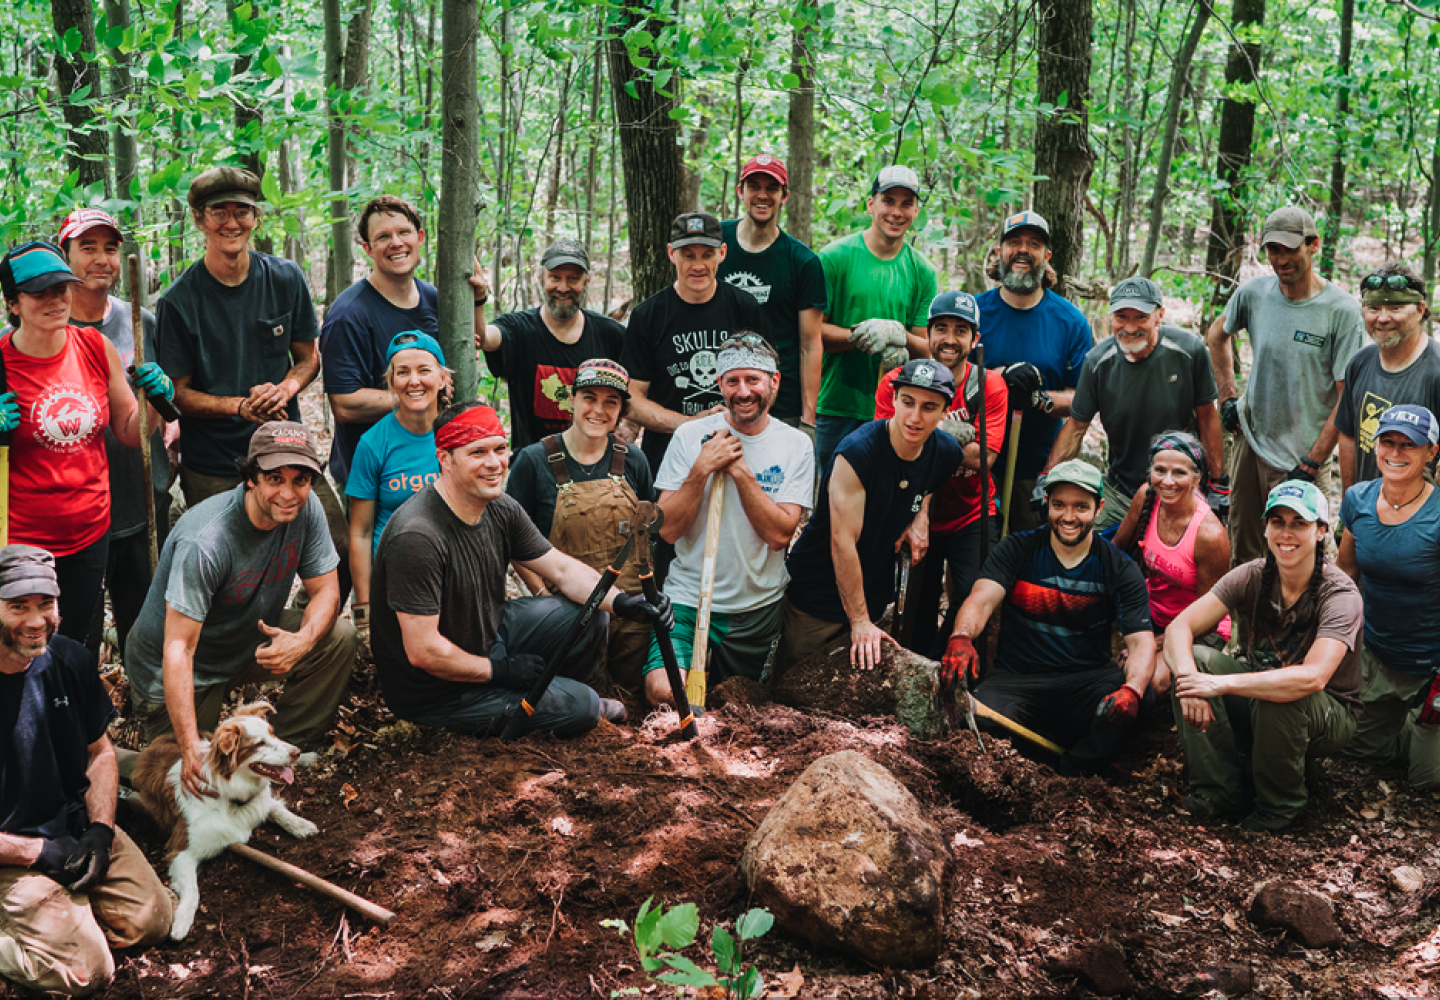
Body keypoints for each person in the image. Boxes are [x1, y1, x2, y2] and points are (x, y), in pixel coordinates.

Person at [370, 402, 672, 737]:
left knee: (593, 611)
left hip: (488, 634)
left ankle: (554, 695)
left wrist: (624, 604)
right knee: (583, 707)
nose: (493, 463)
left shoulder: (498, 506)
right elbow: (424, 651)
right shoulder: (417, 536)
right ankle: (565, 703)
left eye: (499, 449)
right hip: (437, 692)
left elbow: (561, 569)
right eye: (477, 453)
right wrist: (500, 671)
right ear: (445, 459)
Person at [123, 422, 358, 798]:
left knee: (337, 638)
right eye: (274, 478)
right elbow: (178, 650)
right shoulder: (205, 541)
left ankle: (284, 751)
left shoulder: (306, 506)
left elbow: (326, 589)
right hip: (182, 669)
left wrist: (302, 640)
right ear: (250, 477)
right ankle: (108, 760)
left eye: (300, 480)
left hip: (244, 640)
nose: (288, 493)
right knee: (188, 776)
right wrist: (187, 748)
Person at [154, 166, 351, 596]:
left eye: (241, 211)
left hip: (287, 446)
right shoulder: (179, 301)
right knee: (225, 570)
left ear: (256, 216)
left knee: (340, 545)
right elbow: (177, 394)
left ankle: (306, 633)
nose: (231, 222)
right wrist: (238, 406)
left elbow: (307, 359)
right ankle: (232, 655)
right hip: (214, 461)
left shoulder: (285, 278)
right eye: (218, 211)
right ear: (198, 219)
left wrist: (286, 388)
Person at [0, 545, 172, 996]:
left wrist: (100, 829)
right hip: (10, 852)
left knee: (153, 921)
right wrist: (35, 855)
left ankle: (68, 922)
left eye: (46, 605)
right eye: (18, 607)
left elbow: (100, 753)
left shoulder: (69, 659)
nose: (36, 621)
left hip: (71, 825)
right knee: (88, 971)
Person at [1162, 480, 1361, 832]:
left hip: (1328, 713)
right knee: (1194, 658)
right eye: (1278, 522)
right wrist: (1192, 682)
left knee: (1278, 693)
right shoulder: (1254, 574)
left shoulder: (1340, 594)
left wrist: (1219, 685)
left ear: (1320, 532)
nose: (1287, 533)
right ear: (1266, 528)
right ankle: (1218, 791)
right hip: (1262, 694)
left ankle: (1280, 805)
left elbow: (1312, 677)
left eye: (1299, 523)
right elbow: (1180, 627)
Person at [938, 460, 1156, 776]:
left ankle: (1076, 770)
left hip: (1085, 681)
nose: (1069, 517)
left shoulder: (1119, 568)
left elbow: (1141, 642)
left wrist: (1131, 690)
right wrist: (961, 636)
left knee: (1141, 699)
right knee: (980, 720)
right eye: (1059, 505)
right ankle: (1032, 762)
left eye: (1081, 507)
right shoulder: (1018, 549)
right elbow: (981, 600)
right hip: (1016, 679)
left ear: (1099, 508)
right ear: (1047, 505)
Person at [0, 241, 169, 646]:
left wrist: (156, 401)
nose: (55, 299)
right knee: (26, 644)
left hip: (91, 530)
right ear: (13, 303)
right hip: (23, 538)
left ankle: (76, 707)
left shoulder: (95, 346)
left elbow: (130, 432)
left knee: (76, 638)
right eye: (39, 292)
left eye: (61, 288)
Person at [648, 335, 813, 704]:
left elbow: (779, 535)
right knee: (665, 692)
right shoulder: (689, 437)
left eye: (753, 380)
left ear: (774, 382)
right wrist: (701, 468)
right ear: (719, 384)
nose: (743, 391)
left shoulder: (795, 444)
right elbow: (668, 530)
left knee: (746, 701)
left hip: (757, 609)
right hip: (690, 599)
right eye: (733, 381)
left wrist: (740, 472)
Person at [779, 359, 962, 672]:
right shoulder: (857, 453)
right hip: (817, 596)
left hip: (874, 593)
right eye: (907, 402)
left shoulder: (946, 452)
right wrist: (859, 621)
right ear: (893, 399)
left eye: (929, 407)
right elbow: (842, 543)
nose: (915, 417)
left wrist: (921, 517)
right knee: (791, 688)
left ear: (946, 411)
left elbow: (929, 482)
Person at [1207, 205, 1364, 563]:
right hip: (1251, 442)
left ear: (1314, 245)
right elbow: (1217, 336)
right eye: (1273, 249)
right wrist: (1228, 398)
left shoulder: (1341, 311)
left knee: (1304, 560)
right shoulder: (1254, 294)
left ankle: (1307, 623)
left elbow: (1347, 397)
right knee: (1245, 552)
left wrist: (1312, 462)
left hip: (1302, 455)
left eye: (1290, 248)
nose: (1281, 259)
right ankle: (1245, 622)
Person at [54, 209, 174, 654]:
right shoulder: (46, 328)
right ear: (63, 254)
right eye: (87, 248)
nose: (101, 259)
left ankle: (145, 711)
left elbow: (159, 415)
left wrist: (160, 403)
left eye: (109, 248)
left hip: (141, 496)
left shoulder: (142, 321)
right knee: (74, 628)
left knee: (144, 624)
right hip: (75, 511)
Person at [507, 358, 657, 697]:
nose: (598, 410)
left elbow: (646, 536)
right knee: (582, 710)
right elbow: (513, 539)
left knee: (631, 705)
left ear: (622, 410)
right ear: (571, 400)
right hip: (569, 614)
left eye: (611, 402)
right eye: (589, 397)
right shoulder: (534, 461)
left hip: (631, 614)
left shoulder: (634, 460)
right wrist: (542, 595)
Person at [872, 291, 1006, 656]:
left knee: (970, 596)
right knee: (914, 603)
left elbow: (986, 458)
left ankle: (943, 663)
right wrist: (944, 435)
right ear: (927, 334)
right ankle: (916, 665)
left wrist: (922, 436)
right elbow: (889, 449)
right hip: (910, 507)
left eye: (960, 330)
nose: (950, 338)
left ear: (974, 338)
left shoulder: (988, 384)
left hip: (971, 512)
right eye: (942, 328)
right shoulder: (897, 382)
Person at [1039, 276, 1225, 530]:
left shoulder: (1188, 352)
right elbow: (1076, 427)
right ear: (1110, 318)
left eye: (1140, 317)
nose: (1129, 327)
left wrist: (1217, 482)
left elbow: (1207, 416)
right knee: (1082, 544)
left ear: (1159, 316)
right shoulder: (1097, 362)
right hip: (1121, 489)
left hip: (1180, 488)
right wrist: (1047, 478)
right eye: (1121, 317)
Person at [1338, 405, 1440, 788]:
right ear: (1375, 444)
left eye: (1408, 445)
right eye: (1388, 442)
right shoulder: (1358, 500)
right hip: (1378, 655)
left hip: (1432, 667)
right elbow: (1345, 573)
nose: (1395, 454)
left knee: (1425, 782)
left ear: (1431, 451)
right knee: (1355, 749)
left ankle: (1422, 725)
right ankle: (1408, 727)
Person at [972, 211, 1093, 533]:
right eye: (1014, 242)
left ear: (1047, 256)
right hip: (974, 465)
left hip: (1037, 472)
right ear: (999, 251)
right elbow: (947, 381)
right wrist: (996, 380)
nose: (1023, 250)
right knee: (972, 571)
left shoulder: (1070, 322)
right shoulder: (972, 313)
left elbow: (1085, 400)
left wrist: (1039, 398)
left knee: (1025, 569)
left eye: (1034, 244)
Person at [813, 165, 938, 471]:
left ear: (916, 211)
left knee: (884, 505)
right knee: (833, 504)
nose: (897, 212)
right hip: (838, 405)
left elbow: (927, 348)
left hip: (898, 412)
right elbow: (812, 333)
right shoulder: (833, 258)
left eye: (906, 204)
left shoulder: (923, 271)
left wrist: (900, 337)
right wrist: (860, 338)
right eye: (888, 201)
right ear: (871, 204)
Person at [622, 213, 765, 473]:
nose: (698, 265)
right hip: (668, 456)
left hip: (738, 449)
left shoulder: (744, 308)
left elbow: (765, 383)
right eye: (688, 255)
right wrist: (689, 424)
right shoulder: (648, 316)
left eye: (706, 254)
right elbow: (632, 399)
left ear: (722, 253)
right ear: (671, 254)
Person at [321, 196, 444, 486]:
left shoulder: (435, 299)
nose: (396, 243)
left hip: (431, 468)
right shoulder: (349, 315)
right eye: (383, 237)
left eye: (403, 232)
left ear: (420, 238)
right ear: (367, 249)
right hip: (371, 479)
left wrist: (478, 301)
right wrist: (420, 396)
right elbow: (345, 403)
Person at [346, 332, 451, 641]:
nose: (413, 381)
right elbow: (360, 532)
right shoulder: (374, 443)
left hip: (452, 578)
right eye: (402, 372)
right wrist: (364, 608)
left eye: (424, 370)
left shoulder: (460, 433)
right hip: (393, 582)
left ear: (443, 378)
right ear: (391, 382)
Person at [479, 239, 626, 453]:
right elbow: (484, 338)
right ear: (540, 278)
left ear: (587, 281)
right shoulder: (518, 329)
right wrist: (478, 299)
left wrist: (628, 429)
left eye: (573, 279)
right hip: (533, 466)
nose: (563, 288)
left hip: (594, 464)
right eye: (555, 278)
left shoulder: (611, 335)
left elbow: (639, 389)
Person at [718, 154, 827, 434]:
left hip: (780, 404)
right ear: (741, 191)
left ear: (784, 196)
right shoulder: (716, 244)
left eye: (772, 188)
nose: (762, 195)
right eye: (754, 186)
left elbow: (810, 345)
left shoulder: (802, 261)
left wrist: (808, 420)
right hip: (717, 399)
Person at [1113, 433, 1232, 647]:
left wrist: (1158, 643)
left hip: (1198, 627)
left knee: (1156, 679)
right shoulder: (1146, 496)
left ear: (1197, 479)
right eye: (1160, 471)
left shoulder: (1210, 536)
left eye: (1179, 473)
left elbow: (1208, 615)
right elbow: (1116, 551)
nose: (1167, 482)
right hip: (1153, 612)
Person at [1334, 263, 1440, 491]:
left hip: (1420, 519)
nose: (1382, 318)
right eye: (1373, 308)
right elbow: (1348, 436)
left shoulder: (1436, 370)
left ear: (1420, 310)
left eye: (1395, 308)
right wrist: (1350, 502)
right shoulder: (1360, 362)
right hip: (1367, 512)